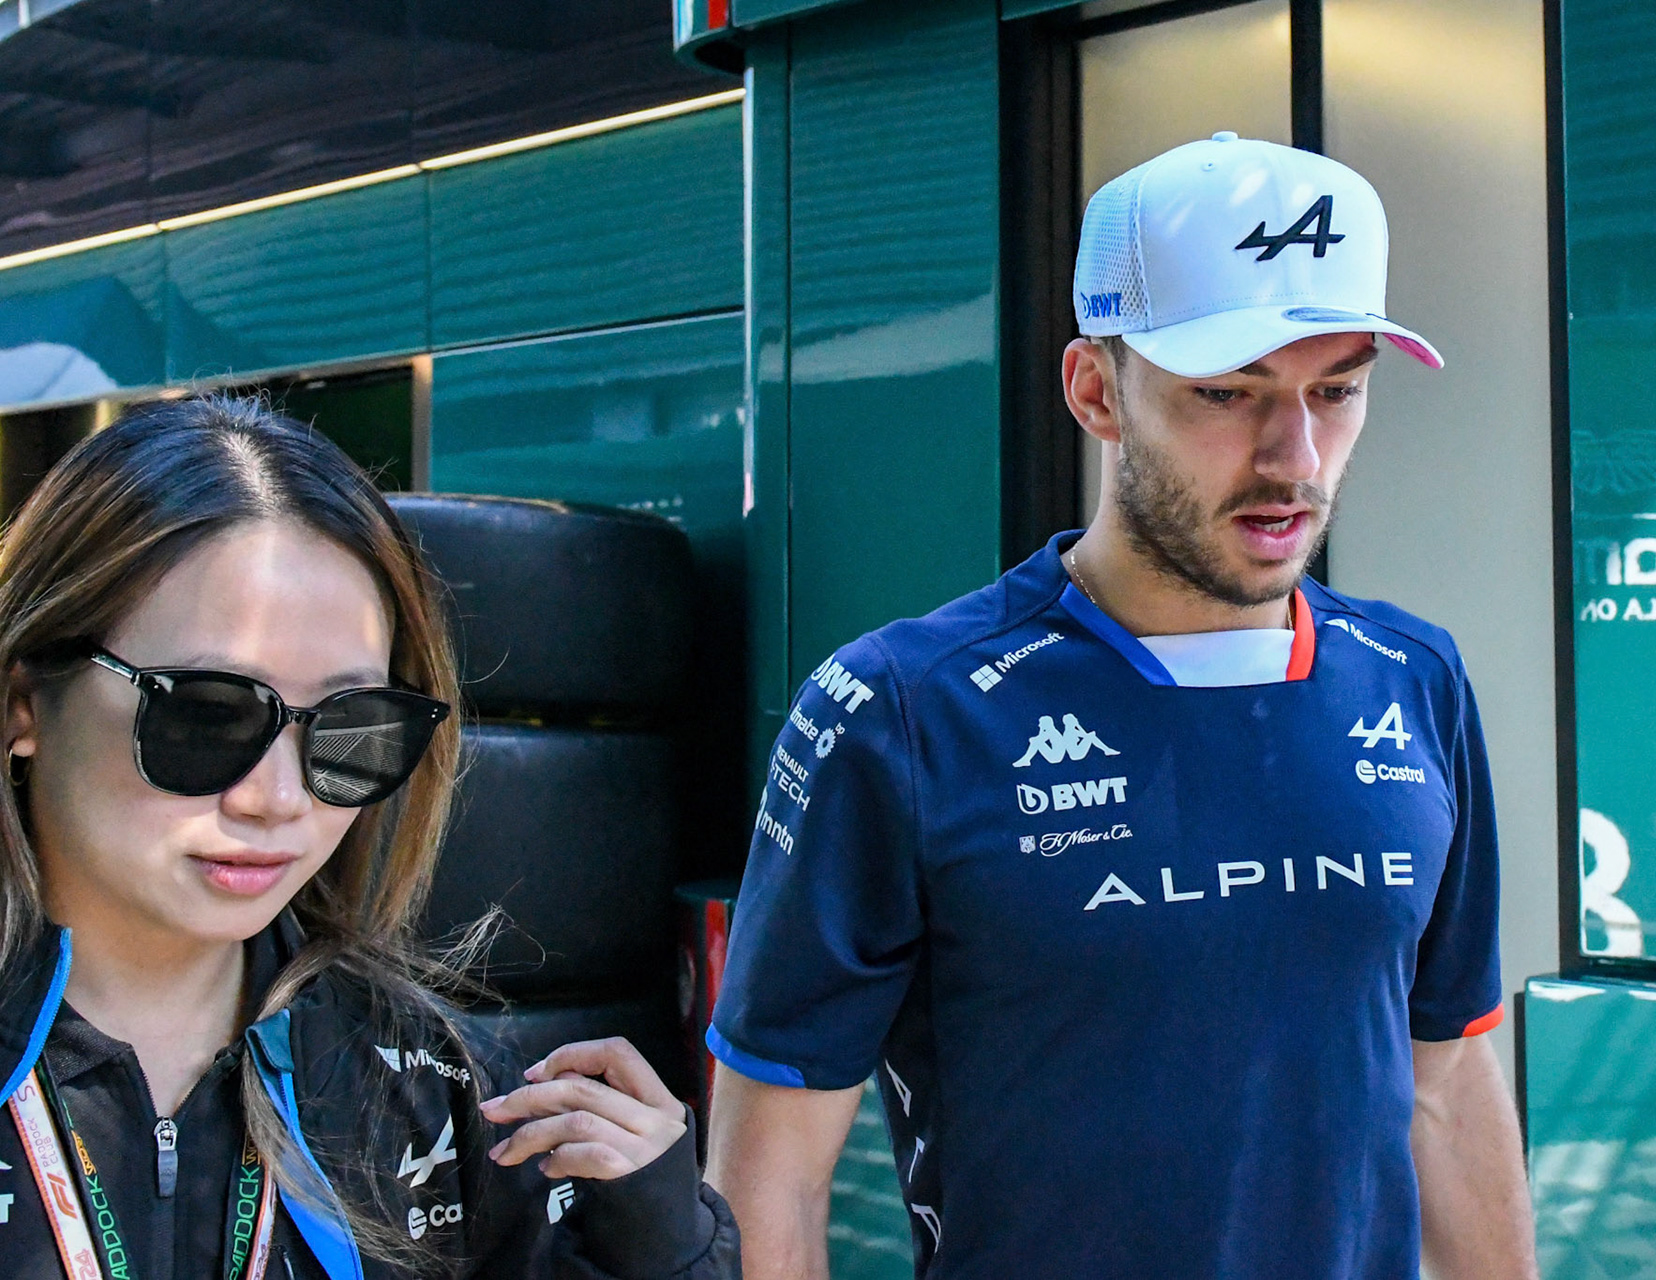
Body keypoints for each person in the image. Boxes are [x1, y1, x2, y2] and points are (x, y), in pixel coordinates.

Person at [705, 135, 1535, 1278]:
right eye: (1227, 393)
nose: (1295, 456)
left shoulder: (1414, 675)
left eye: (1335, 390)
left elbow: (1446, 1080)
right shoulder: (901, 711)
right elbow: (774, 1174)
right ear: (1096, 389)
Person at [0, 395, 739, 1279]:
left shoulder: (431, 1083)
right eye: (206, 714)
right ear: (24, 701)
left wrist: (662, 1250)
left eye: (350, 730)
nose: (277, 799)